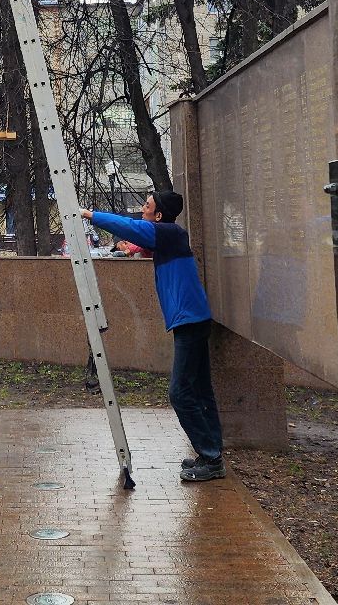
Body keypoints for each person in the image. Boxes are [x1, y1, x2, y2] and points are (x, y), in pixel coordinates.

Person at [80, 190, 223, 481]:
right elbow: (143, 241)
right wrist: (135, 249)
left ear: (158, 216)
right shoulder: (169, 240)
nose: (142, 211)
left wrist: (91, 215)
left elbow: (131, 227)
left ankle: (211, 459)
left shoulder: (170, 233)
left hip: (191, 323)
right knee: (199, 391)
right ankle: (211, 454)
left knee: (180, 393)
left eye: (146, 207)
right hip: (192, 321)